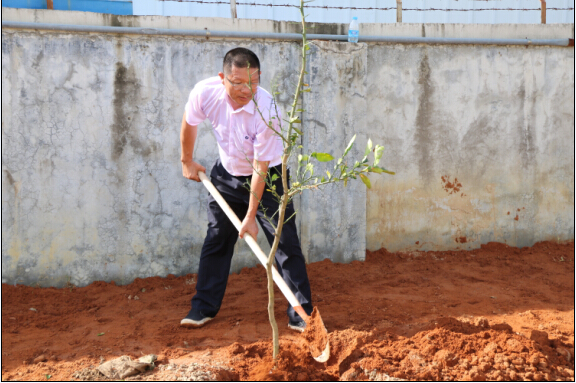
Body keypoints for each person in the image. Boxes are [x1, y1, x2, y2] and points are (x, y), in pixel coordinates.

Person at [179, 47, 313, 332]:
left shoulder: (267, 110)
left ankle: (301, 312)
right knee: (216, 239)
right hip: (226, 175)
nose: (245, 89)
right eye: (237, 82)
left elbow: (261, 167)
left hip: (269, 179)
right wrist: (187, 160)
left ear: (259, 77)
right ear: (222, 78)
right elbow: (189, 122)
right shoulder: (205, 93)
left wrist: (251, 214)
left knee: (284, 244)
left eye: (252, 82)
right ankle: (202, 306)